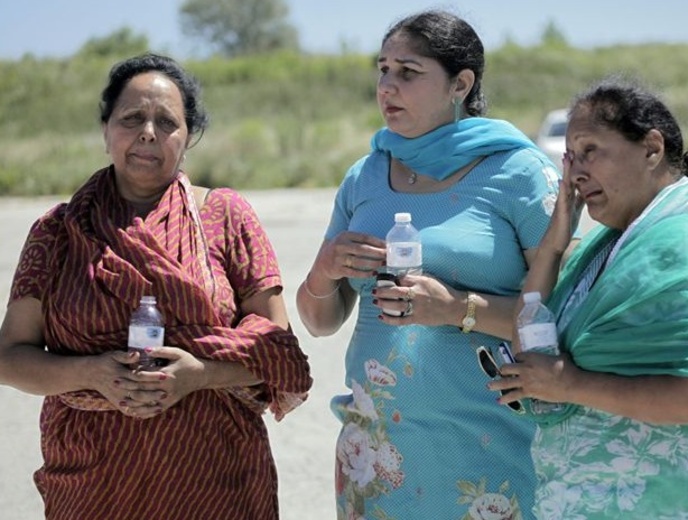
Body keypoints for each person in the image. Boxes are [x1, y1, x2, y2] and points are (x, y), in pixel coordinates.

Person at [0, 53, 313, 520]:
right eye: (131, 118)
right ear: (106, 130)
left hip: (219, 480)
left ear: (188, 138)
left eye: (166, 122)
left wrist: (200, 376)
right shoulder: (58, 232)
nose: (148, 131)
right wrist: (92, 374)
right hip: (91, 485)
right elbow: (9, 356)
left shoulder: (225, 217)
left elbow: (278, 351)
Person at [489, 76, 688, 518]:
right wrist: (555, 244)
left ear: (651, 149)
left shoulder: (681, 243)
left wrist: (570, 384)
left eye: (591, 150)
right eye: (570, 157)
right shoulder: (613, 245)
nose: (576, 171)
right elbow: (531, 335)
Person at [296, 9, 563, 519]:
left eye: (408, 72)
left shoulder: (519, 173)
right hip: (378, 450)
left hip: (492, 442)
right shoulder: (365, 176)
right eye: (382, 70)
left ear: (460, 84)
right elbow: (319, 319)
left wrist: (459, 308)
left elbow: (568, 312)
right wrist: (325, 268)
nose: (387, 86)